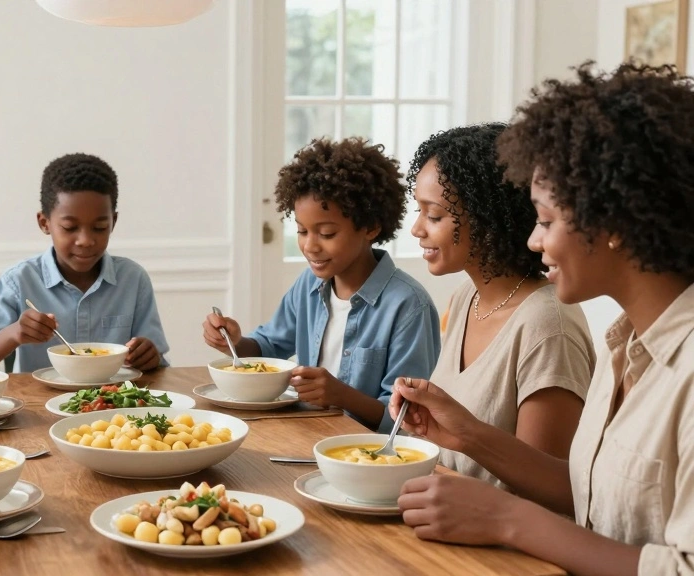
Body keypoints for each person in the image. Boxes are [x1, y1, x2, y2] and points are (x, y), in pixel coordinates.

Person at [390, 62, 694, 575]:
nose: (533, 240)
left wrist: (510, 519)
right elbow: (586, 490)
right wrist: (464, 433)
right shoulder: (626, 345)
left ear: (613, 222)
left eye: (547, 220)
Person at [205, 137, 440, 433]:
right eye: (302, 231)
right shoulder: (308, 285)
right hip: (306, 434)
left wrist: (341, 395)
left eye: (326, 234)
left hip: (367, 458)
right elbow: (268, 347)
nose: (309, 246)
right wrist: (233, 341)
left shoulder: (408, 306)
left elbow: (407, 418)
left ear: (370, 227)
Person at [405, 123, 595, 486]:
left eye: (434, 215)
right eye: (419, 210)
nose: (417, 229)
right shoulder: (467, 297)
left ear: (487, 218)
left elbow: (549, 490)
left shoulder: (547, 325)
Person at [0, 152, 170, 373]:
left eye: (99, 228)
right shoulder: (19, 281)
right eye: (70, 228)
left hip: (112, 404)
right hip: (38, 404)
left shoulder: (133, 278)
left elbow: (156, 362)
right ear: (45, 223)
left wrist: (149, 356)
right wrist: (14, 333)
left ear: (113, 222)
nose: (85, 241)